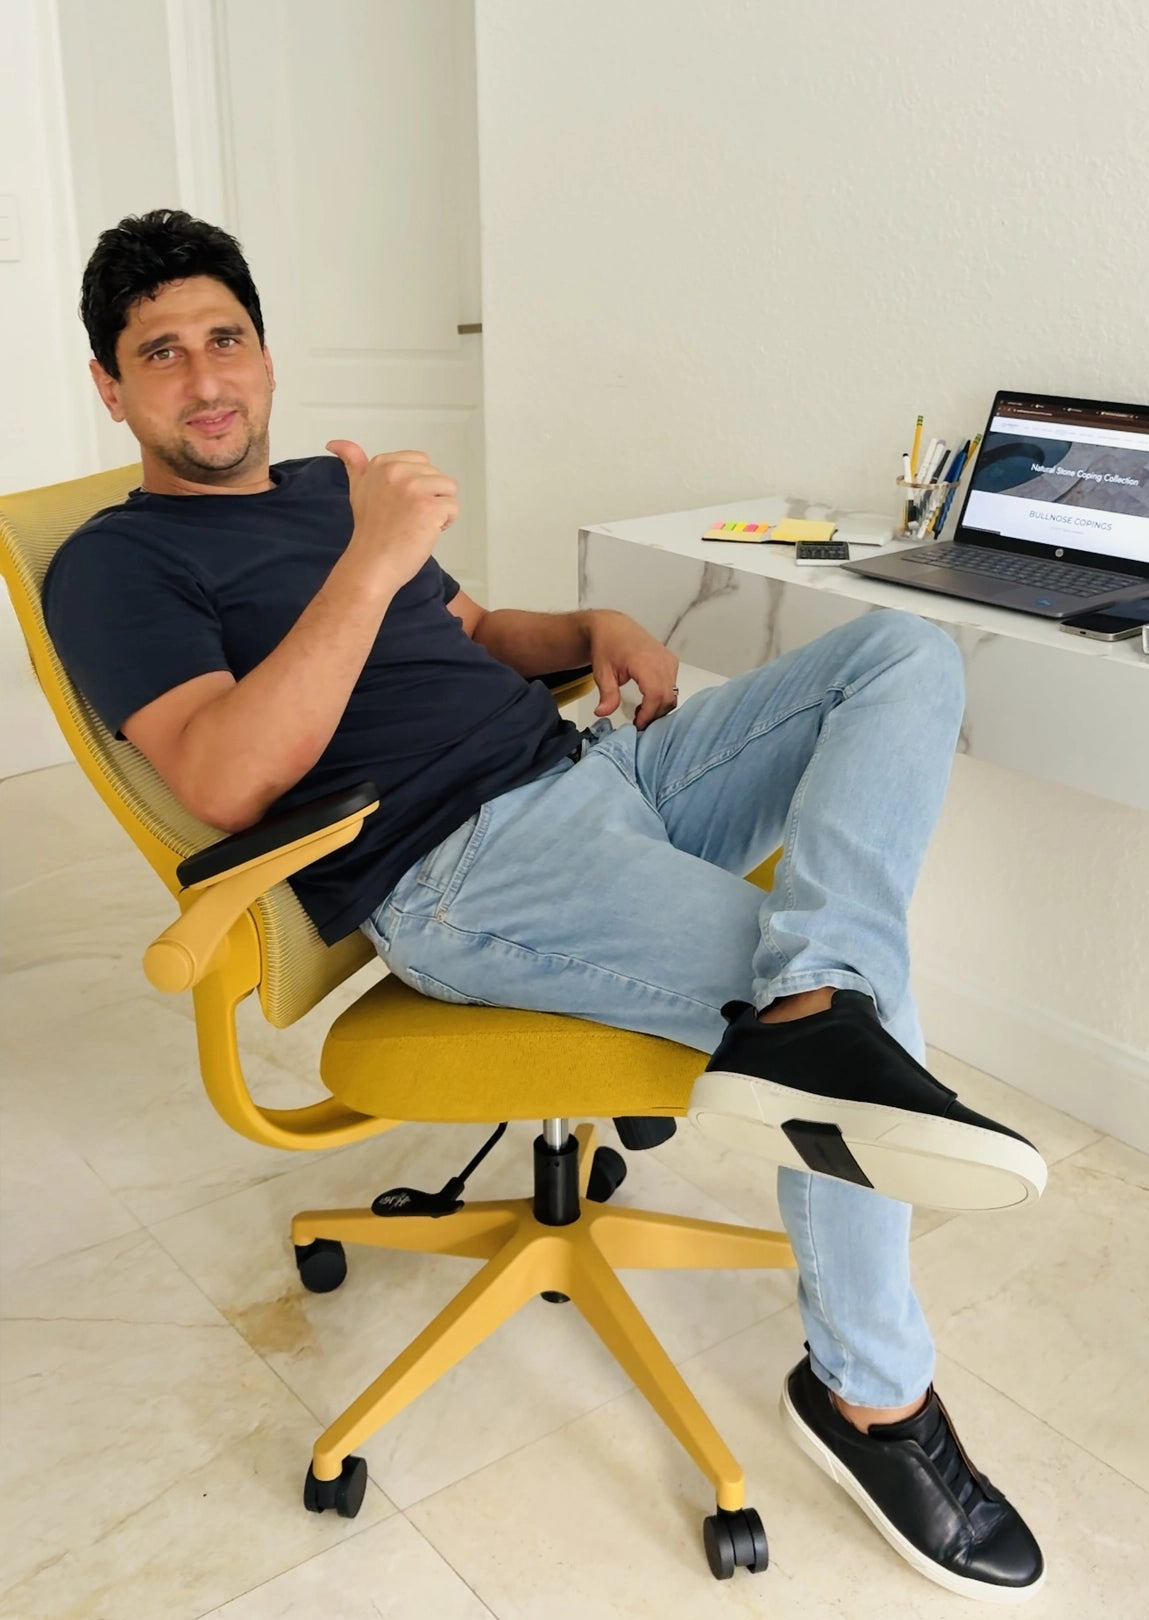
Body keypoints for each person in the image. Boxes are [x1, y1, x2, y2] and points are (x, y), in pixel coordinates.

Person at [44, 210, 1046, 1602]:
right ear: (111, 386)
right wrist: (369, 558)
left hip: (593, 768)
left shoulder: (335, 494)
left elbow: (467, 639)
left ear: (266, 353)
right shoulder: (114, 563)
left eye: (227, 338)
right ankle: (870, 1396)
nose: (205, 379)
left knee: (898, 654)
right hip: (460, 869)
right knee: (860, 1034)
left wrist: (590, 635)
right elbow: (222, 776)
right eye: (162, 354)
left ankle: (812, 998)